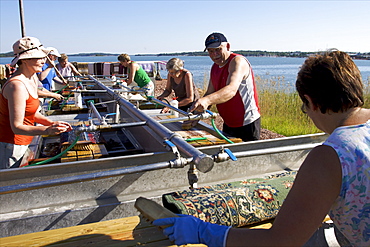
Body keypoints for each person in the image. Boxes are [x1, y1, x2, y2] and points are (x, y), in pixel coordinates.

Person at [153, 50, 370, 246]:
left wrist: (203, 232)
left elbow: (280, 242)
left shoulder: (330, 156)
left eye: (304, 108)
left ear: (310, 101)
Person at [0, 37, 72, 169]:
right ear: (25, 60)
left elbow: (31, 113)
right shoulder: (17, 85)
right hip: (11, 145)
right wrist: (47, 130)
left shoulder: (31, 78)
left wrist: (51, 123)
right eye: (39, 57)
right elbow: (16, 126)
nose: (44, 61)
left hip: (24, 141)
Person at [190, 32, 260, 141]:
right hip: (228, 123)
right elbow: (210, 92)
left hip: (247, 123)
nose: (214, 54)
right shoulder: (215, 67)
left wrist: (207, 100)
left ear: (227, 46)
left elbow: (231, 90)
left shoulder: (237, 61)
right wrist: (196, 115)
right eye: (211, 51)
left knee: (248, 156)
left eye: (218, 49)